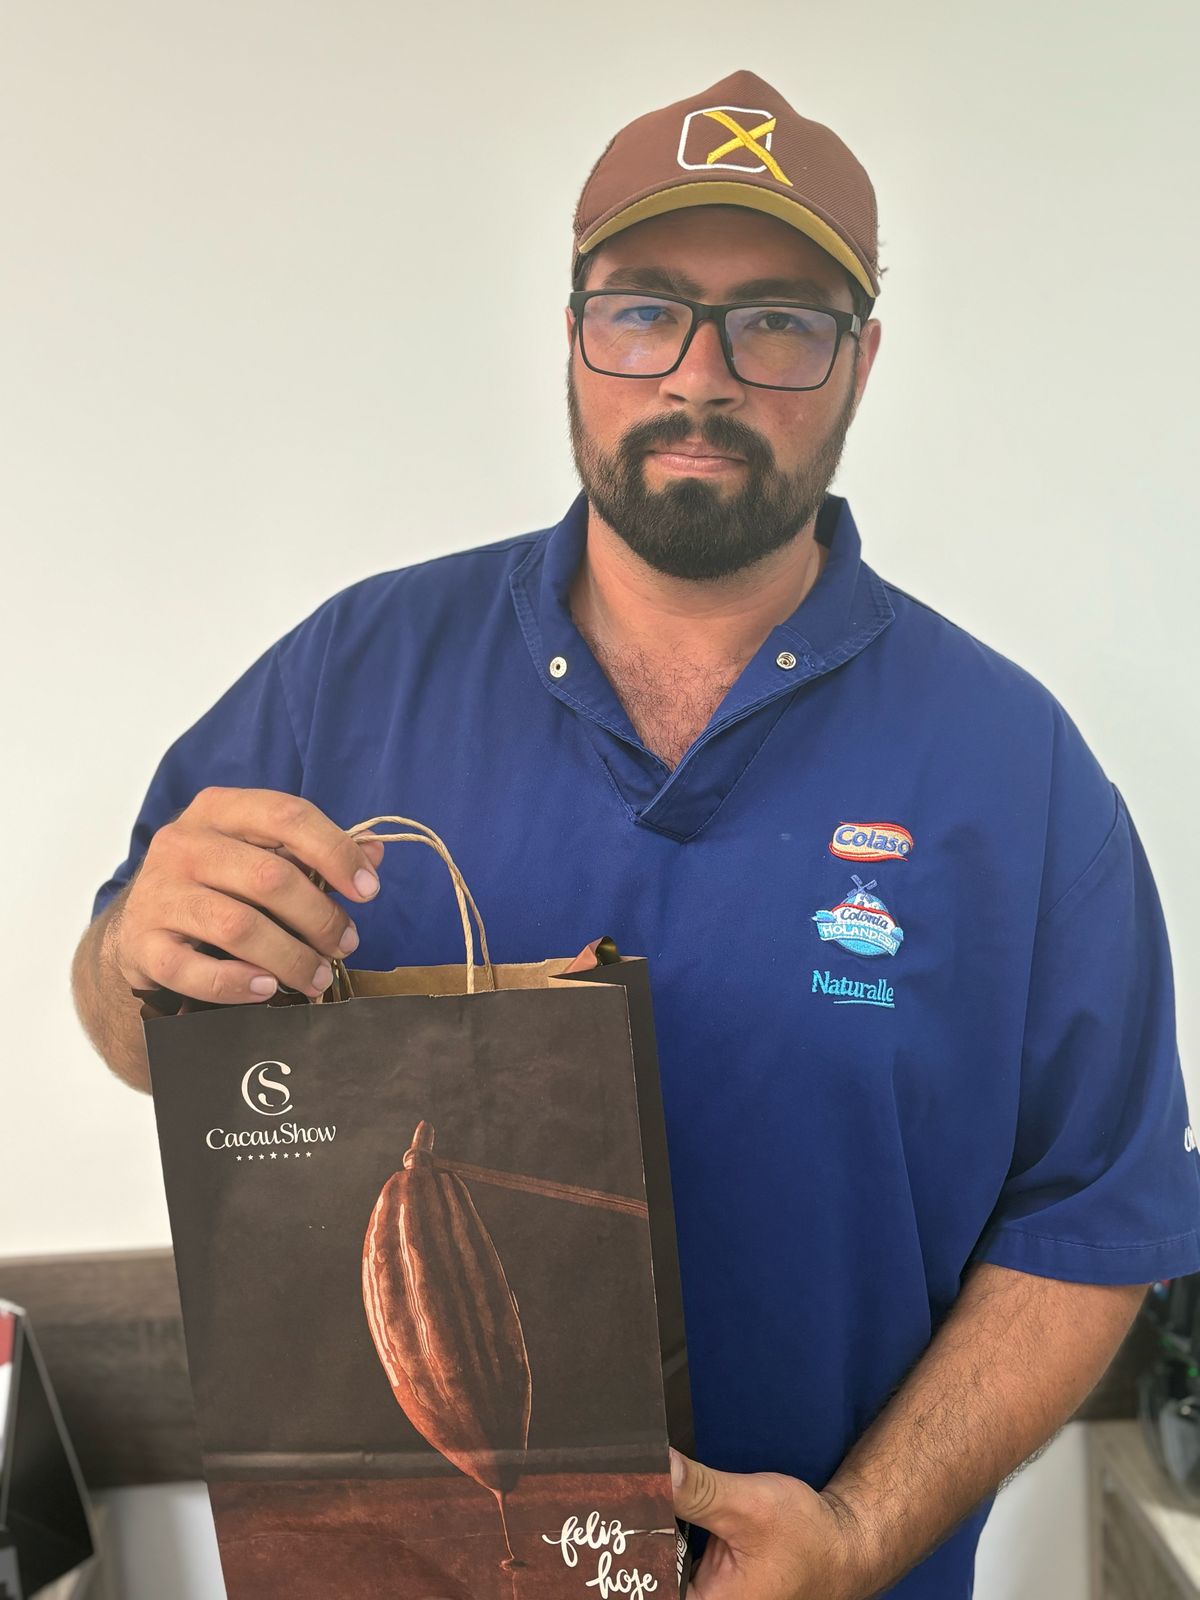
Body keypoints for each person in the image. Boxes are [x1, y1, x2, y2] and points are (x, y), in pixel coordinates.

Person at [71, 69, 1200, 1599]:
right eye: (646, 308)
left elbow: (1096, 1221)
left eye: (778, 323)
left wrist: (859, 1535)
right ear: (572, 335)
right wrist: (135, 962)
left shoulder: (1016, 770)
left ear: (862, 361)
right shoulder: (353, 679)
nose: (700, 377)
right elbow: (140, 1027)